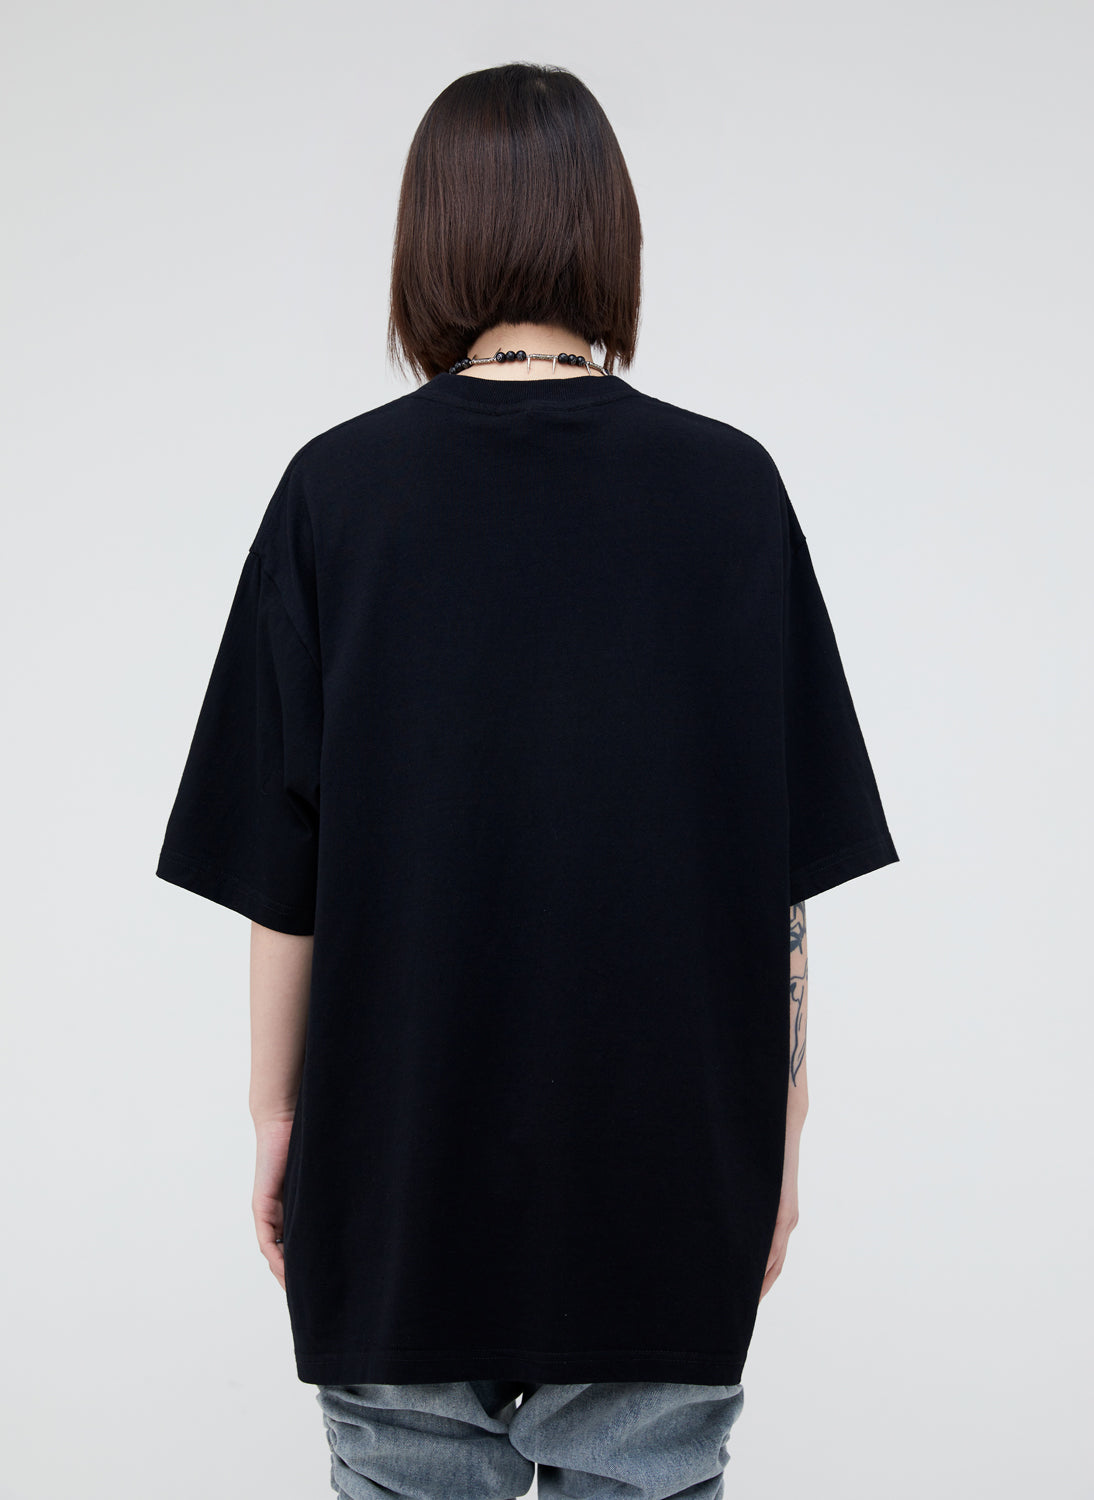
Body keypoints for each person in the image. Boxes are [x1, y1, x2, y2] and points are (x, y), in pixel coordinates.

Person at [155, 62, 898, 1499]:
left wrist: (276, 1122)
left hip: (396, 1180)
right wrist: (782, 1129)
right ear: (610, 234)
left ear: (424, 240)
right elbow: (778, 879)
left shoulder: (336, 494)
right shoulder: (729, 491)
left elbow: (281, 879)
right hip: (666, 1184)